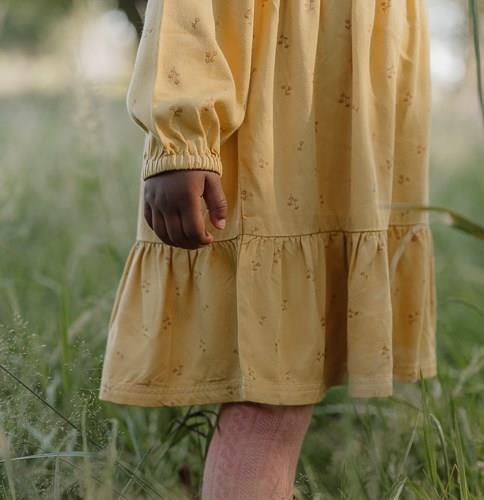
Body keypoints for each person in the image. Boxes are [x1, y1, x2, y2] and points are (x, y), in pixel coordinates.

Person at [99, 0, 438, 497]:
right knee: (267, 394)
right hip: (276, 74)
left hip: (358, 63)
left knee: (281, 392)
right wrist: (183, 137)